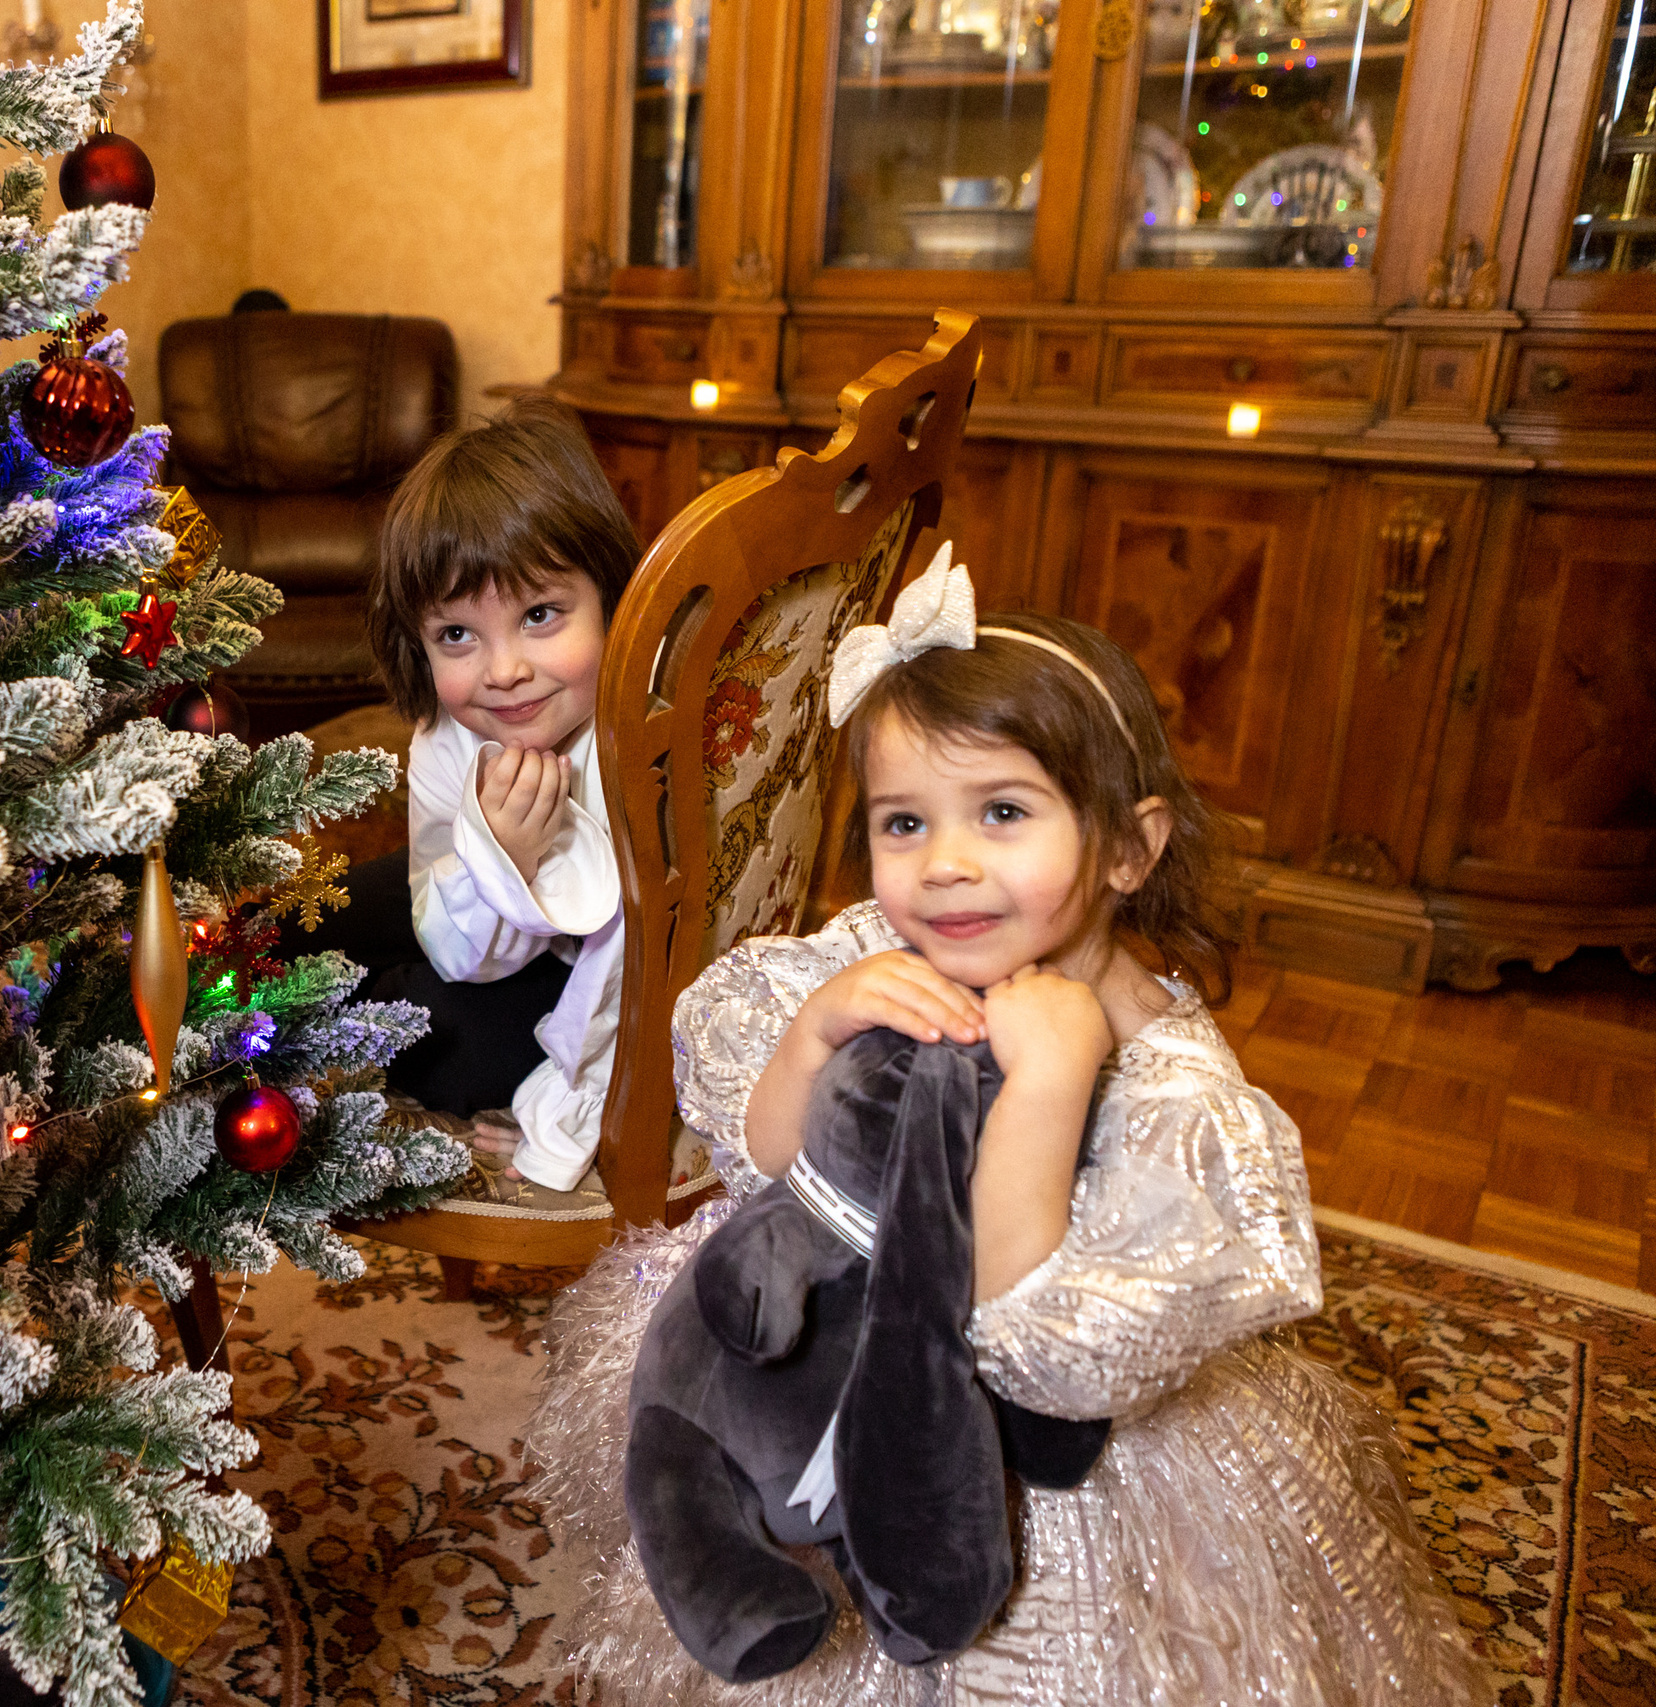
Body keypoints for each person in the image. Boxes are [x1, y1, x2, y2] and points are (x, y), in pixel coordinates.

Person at [529, 545, 1480, 1705]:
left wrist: (1050, 1079)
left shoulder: (1166, 1083)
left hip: (1028, 1444)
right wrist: (816, 1033)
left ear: (1129, 848)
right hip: (834, 1360)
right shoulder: (879, 960)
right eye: (902, 824)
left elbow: (1020, 1323)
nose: (946, 867)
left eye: (1002, 812)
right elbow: (772, 1161)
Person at [313, 397, 639, 1197]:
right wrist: (493, 854)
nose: (503, 671)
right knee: (315, 908)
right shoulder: (446, 736)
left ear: (612, 596)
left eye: (539, 615)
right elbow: (444, 920)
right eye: (457, 635)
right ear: (417, 642)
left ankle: (322, 1018)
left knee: (428, 1025)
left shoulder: (639, 737)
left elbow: (628, 980)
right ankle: (194, 991)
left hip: (581, 980)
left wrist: (571, 1110)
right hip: (469, 919)